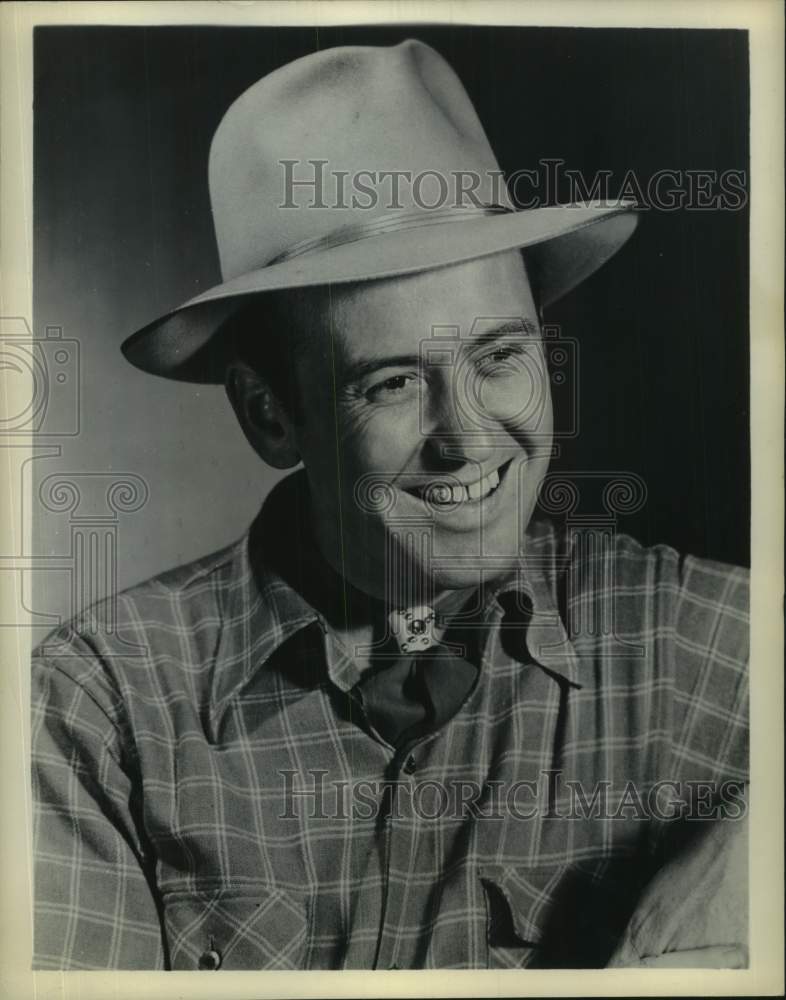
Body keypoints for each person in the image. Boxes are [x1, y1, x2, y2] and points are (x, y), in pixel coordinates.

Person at [32, 39, 748, 971]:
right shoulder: (101, 710)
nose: (470, 436)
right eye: (394, 382)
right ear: (269, 417)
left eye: (500, 357)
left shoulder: (713, 646)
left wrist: (739, 876)